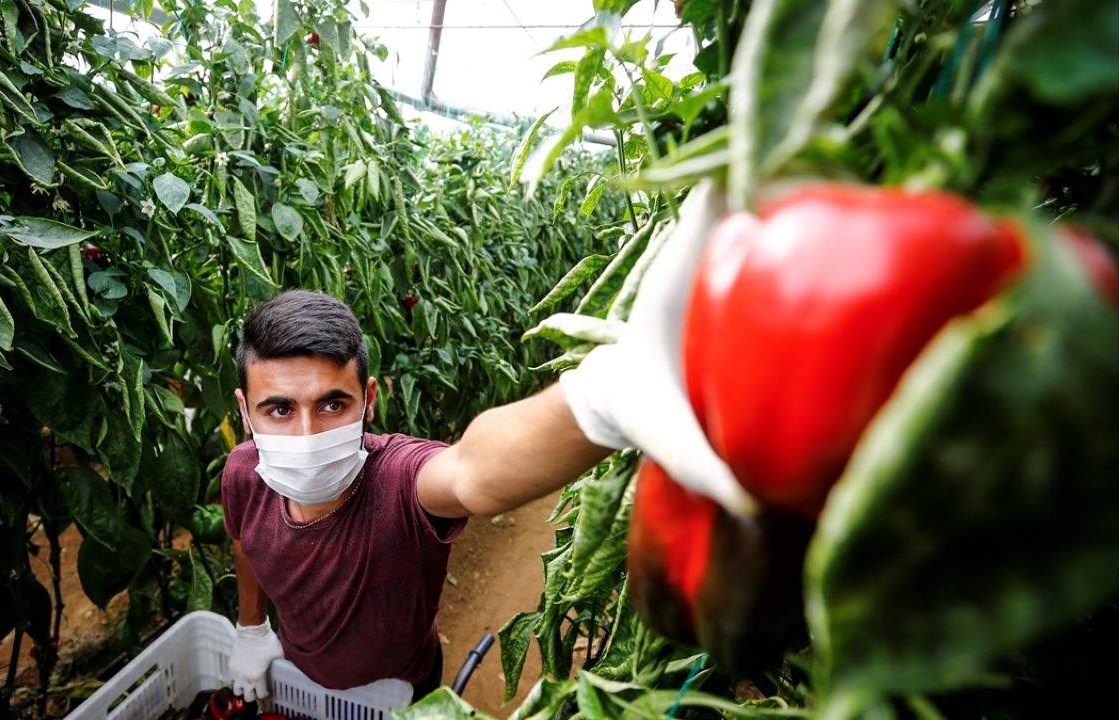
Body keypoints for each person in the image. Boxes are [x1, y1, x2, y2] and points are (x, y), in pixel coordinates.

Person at [221, 183, 755, 699]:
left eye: (333, 405)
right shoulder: (244, 475)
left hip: (404, 689)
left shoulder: (397, 480)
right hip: (297, 672)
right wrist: (251, 626)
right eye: (279, 410)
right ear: (245, 412)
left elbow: (471, 473)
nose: (308, 434)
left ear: (370, 399)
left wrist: (609, 395)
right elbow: (246, 543)